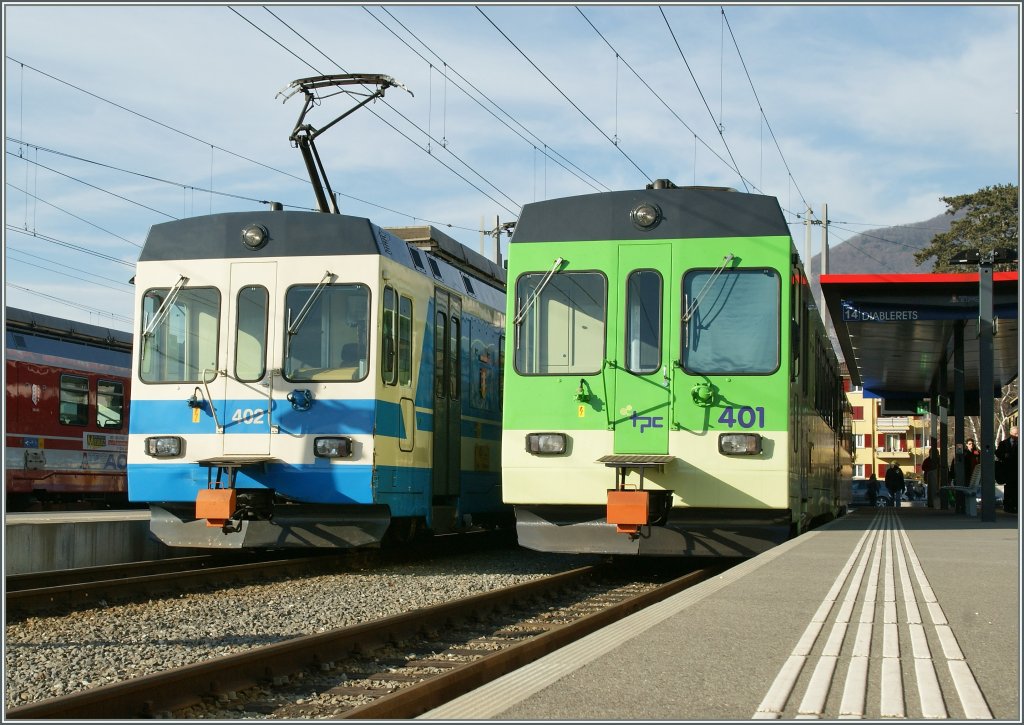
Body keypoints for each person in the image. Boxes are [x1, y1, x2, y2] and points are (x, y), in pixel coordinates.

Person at [995, 425, 1018, 514]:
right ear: (1011, 433)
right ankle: (1008, 506)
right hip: (1007, 469)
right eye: (1016, 434)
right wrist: (1004, 455)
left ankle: (1016, 505)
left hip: (1017, 469)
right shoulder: (1004, 443)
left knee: (1017, 488)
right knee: (1009, 488)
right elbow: (997, 453)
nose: (1017, 436)